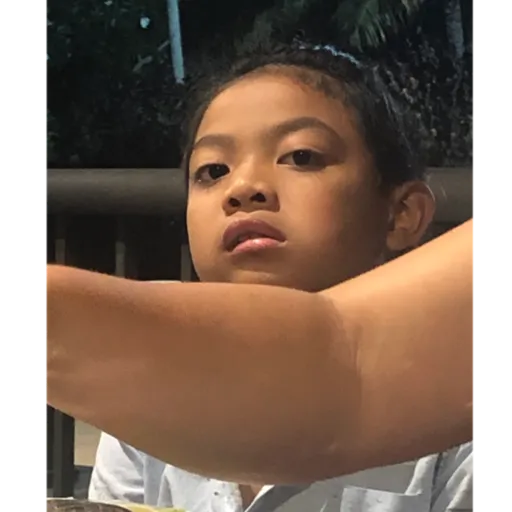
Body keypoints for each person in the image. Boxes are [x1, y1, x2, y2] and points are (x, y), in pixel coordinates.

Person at [44, 43, 478, 510]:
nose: (243, 187)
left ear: (402, 213)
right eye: (212, 170)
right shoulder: (144, 397)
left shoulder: (457, 422)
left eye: (301, 157)